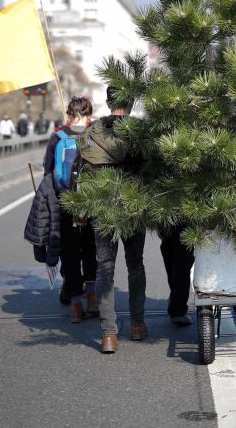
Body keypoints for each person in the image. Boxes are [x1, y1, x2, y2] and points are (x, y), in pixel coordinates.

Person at [87, 87, 146, 354]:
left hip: (103, 207)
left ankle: (109, 334)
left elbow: (83, 174)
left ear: (108, 102)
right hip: (133, 207)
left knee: (104, 270)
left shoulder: (92, 132)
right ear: (131, 103)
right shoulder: (140, 133)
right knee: (135, 264)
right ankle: (137, 324)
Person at [43, 96, 99, 321]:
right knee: (90, 250)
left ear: (69, 114)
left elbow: (48, 171)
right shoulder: (94, 136)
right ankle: (93, 299)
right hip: (91, 201)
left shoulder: (58, 137)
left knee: (70, 254)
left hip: (65, 201)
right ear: (88, 114)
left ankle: (76, 306)